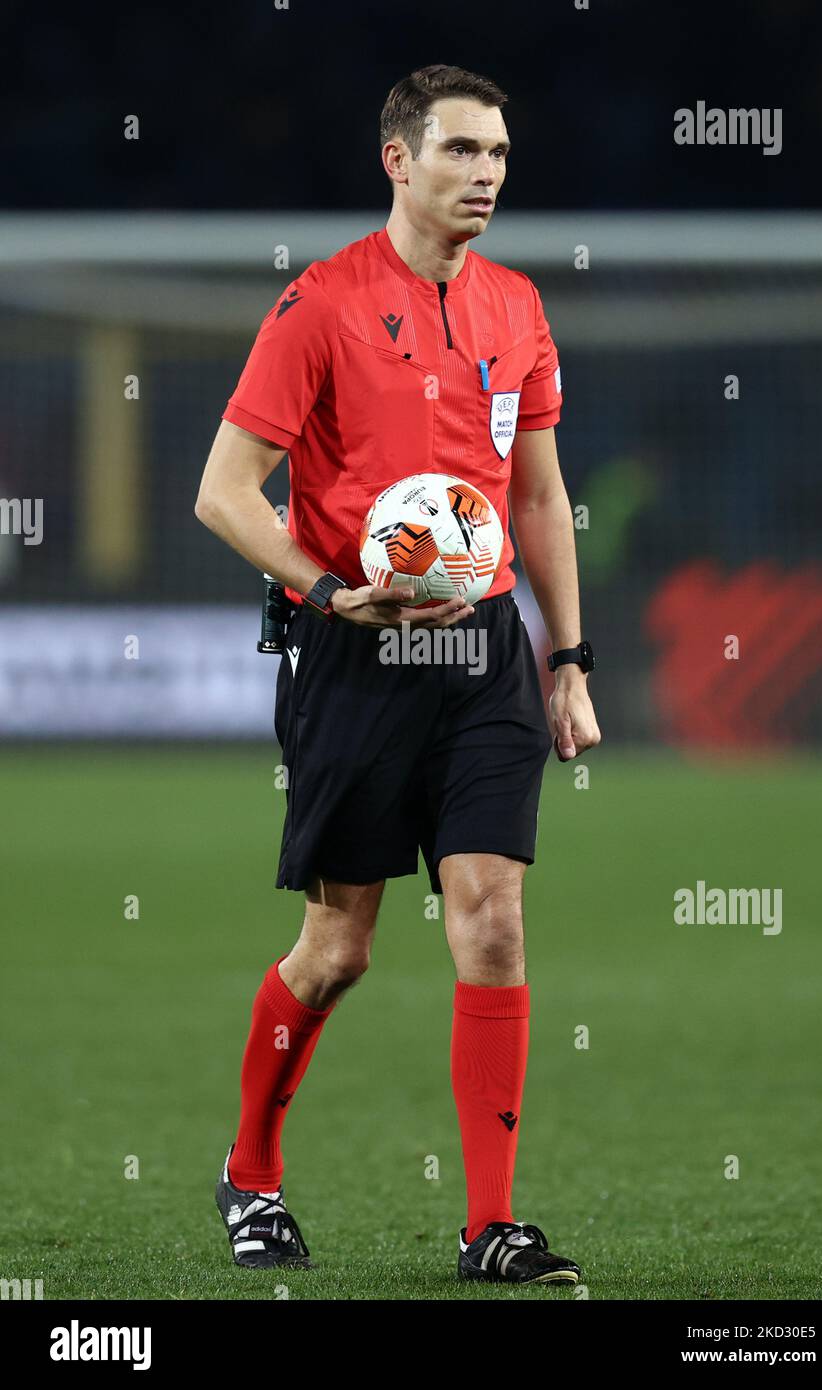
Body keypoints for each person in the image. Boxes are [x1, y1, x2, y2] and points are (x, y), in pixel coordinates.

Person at [195, 63, 601, 1286]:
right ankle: (251, 1172)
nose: (483, 176)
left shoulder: (518, 307)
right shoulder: (317, 305)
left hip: (478, 651)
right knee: (341, 947)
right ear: (398, 159)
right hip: (353, 649)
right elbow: (223, 493)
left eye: (497, 157)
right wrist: (327, 590)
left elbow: (536, 493)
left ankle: (489, 1226)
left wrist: (567, 656)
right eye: (460, 152)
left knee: (491, 915)